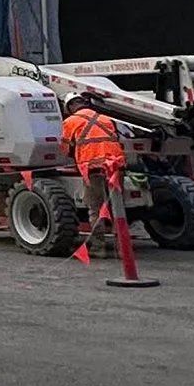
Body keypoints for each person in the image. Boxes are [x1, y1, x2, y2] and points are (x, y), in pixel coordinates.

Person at [59, 95, 131, 261]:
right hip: (116, 167)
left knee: (96, 209)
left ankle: (99, 248)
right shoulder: (105, 118)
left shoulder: (70, 122)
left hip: (93, 168)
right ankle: (123, 249)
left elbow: (65, 148)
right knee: (117, 208)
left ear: (70, 107)